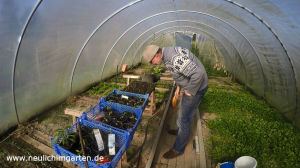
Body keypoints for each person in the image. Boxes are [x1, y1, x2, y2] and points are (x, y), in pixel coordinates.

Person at [142, 45, 208, 159]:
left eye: (152, 62)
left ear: (157, 55)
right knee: (184, 115)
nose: (152, 64)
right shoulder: (166, 54)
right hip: (191, 86)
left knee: (184, 119)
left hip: (197, 88)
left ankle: (178, 149)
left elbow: (199, 74)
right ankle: (180, 131)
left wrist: (191, 91)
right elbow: (178, 72)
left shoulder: (173, 58)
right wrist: (178, 87)